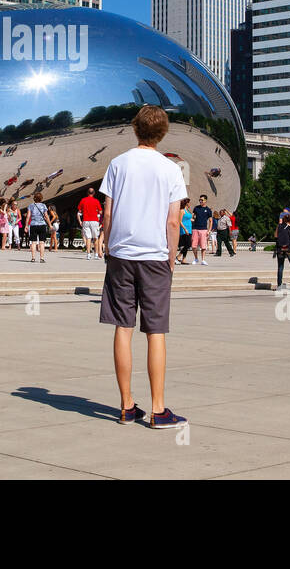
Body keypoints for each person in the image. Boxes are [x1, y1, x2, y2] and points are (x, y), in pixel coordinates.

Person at [98, 104, 187, 430]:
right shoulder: (170, 170)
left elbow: (107, 214)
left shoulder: (117, 164)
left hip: (121, 255)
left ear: (135, 128)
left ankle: (126, 405)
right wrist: (172, 259)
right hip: (154, 256)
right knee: (155, 331)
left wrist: (108, 246)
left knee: (123, 327)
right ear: (162, 132)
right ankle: (158, 409)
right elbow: (173, 220)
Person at [274, 213, 290, 289]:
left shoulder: (279, 226)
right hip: (289, 249)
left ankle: (279, 285)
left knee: (280, 267)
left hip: (280, 249)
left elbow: (275, 236)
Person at [78, 187, 103, 258]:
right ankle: (96, 254)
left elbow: (79, 211)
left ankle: (88, 254)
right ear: (94, 193)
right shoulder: (96, 201)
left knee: (88, 238)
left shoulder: (83, 200)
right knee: (95, 238)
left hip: (86, 220)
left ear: (87, 193)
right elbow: (100, 211)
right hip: (94, 220)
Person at [25, 191, 50, 264]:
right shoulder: (43, 205)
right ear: (41, 198)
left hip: (33, 225)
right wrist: (50, 225)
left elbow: (28, 216)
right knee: (42, 242)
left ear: (34, 198)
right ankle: (41, 258)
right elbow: (46, 216)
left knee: (33, 242)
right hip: (42, 225)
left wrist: (26, 225)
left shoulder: (31, 206)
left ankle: (33, 258)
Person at [190, 194, 213, 265]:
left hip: (203, 229)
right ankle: (196, 259)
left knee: (203, 246)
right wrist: (192, 219)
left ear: (205, 200)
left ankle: (203, 260)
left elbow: (210, 221)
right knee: (194, 246)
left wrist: (209, 230)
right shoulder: (196, 208)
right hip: (195, 229)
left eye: (202, 200)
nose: (200, 201)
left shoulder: (208, 210)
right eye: (199, 200)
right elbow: (192, 216)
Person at [176, 197, 193, 264]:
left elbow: (188, 219)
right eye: (189, 203)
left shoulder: (188, 211)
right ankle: (178, 256)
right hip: (184, 229)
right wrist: (185, 229)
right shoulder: (182, 210)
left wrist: (194, 220)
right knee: (188, 244)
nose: (190, 204)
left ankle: (183, 259)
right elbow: (180, 221)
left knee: (187, 244)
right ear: (186, 203)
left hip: (189, 228)